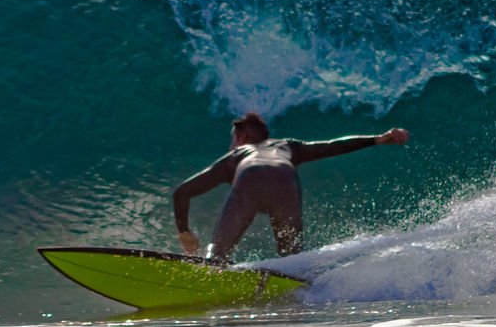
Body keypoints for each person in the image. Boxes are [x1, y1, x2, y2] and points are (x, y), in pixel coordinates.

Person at [171, 112, 410, 263]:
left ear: (241, 138)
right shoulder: (288, 146)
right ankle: (293, 292)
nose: (232, 145)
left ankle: (211, 273)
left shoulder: (237, 155)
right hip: (286, 180)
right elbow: (329, 147)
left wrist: (185, 233)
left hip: (250, 178)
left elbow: (182, 192)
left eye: (233, 139)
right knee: (292, 260)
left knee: (218, 255)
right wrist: (378, 138)